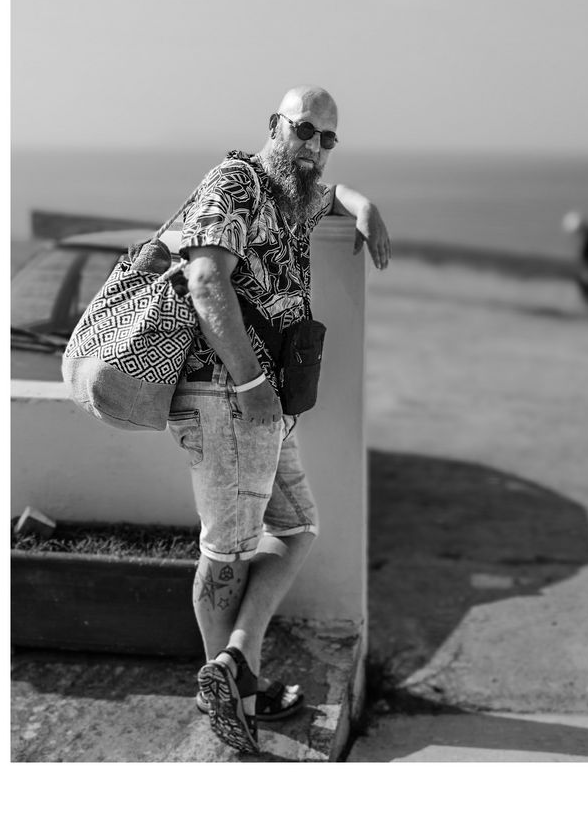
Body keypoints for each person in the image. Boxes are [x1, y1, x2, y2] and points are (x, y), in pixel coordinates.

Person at [167, 85, 391, 754]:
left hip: (264, 408)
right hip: (232, 398)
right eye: (304, 130)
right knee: (227, 551)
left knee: (296, 526)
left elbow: (329, 194)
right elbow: (205, 280)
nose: (315, 147)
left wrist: (361, 202)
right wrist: (254, 381)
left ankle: (235, 662)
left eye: (327, 138)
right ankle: (229, 701)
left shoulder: (292, 191)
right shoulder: (236, 183)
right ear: (274, 125)